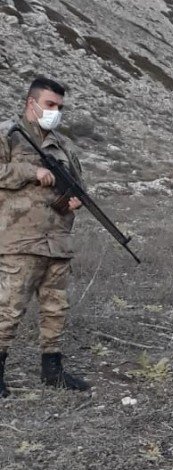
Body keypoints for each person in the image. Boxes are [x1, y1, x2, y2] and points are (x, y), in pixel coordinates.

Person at [0, 76, 89, 398]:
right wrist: (29, 172)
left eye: (60, 107)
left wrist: (74, 200)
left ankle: (52, 370)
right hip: (20, 240)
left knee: (56, 309)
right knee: (8, 309)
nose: (55, 112)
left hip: (57, 241)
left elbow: (77, 187)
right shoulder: (8, 135)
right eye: (50, 105)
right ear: (31, 103)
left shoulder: (63, 147)